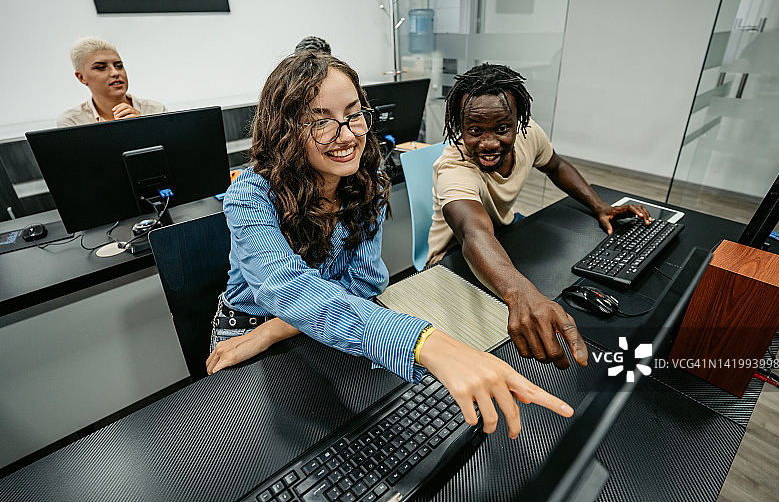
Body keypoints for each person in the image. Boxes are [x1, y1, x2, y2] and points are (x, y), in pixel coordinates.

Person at [204, 51, 575, 438]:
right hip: (248, 332)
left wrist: (277, 330)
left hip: (312, 324)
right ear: (286, 130)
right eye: (321, 123)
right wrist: (424, 342)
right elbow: (288, 290)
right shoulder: (249, 195)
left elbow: (363, 284)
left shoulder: (365, 175)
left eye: (353, 114)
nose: (346, 135)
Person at [427, 63, 651, 371]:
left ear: (518, 122)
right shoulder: (453, 169)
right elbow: (473, 233)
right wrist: (519, 294)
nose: (489, 143)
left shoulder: (529, 134)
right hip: (454, 262)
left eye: (502, 129)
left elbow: (556, 166)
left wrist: (600, 206)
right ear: (459, 126)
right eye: (475, 131)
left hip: (503, 240)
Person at [57, 37, 166, 127]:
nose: (115, 73)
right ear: (81, 77)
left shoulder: (156, 110)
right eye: (100, 67)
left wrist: (144, 126)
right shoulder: (72, 122)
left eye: (119, 66)